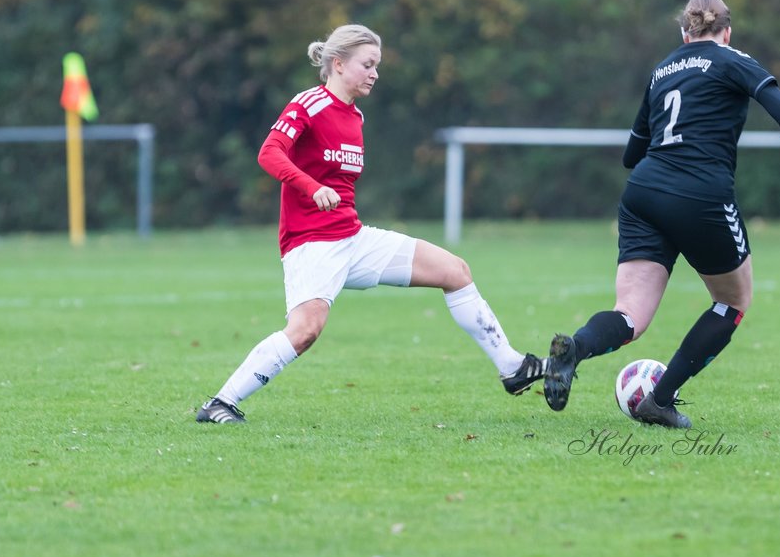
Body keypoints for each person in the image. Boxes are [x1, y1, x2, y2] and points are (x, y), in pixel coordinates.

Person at [196, 24, 546, 423]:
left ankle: (512, 367)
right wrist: (311, 187)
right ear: (339, 64)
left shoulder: (356, 116)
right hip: (312, 242)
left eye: (377, 65)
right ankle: (221, 403)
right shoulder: (309, 103)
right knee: (306, 330)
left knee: (455, 271)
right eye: (368, 64)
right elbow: (269, 153)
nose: (375, 73)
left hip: (353, 238)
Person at [543, 0, 780, 428]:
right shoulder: (733, 60)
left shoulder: (662, 70)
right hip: (700, 195)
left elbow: (631, 154)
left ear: (684, 32)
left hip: (643, 193)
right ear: (726, 32)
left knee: (630, 313)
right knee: (733, 301)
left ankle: (575, 349)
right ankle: (661, 398)